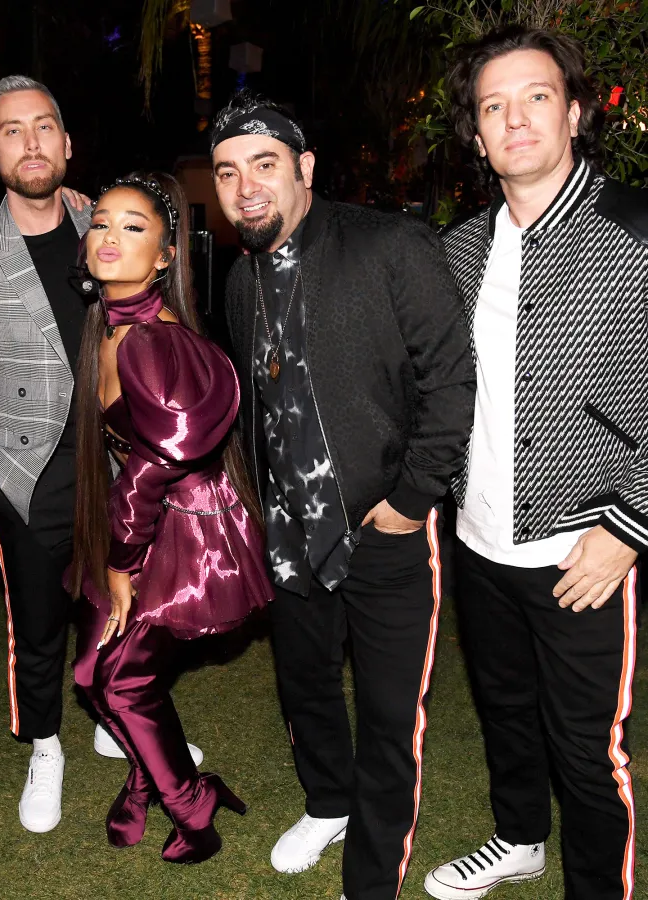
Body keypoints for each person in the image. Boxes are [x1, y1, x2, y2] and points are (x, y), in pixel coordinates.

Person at [212, 90, 475, 900]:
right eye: (227, 172)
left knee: (390, 715)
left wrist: (412, 497)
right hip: (289, 530)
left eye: (264, 164)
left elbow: (451, 381)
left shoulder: (389, 244)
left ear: (305, 168)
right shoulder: (240, 278)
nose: (246, 186)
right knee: (306, 682)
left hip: (386, 528)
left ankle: (372, 881)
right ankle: (328, 801)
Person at [424, 27, 646, 900]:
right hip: (479, 541)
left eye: (537, 97)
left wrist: (629, 526)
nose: (515, 119)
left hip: (586, 549)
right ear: (477, 136)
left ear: (575, 113)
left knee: (589, 752)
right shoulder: (456, 250)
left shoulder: (635, 230)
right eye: (494, 106)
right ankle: (519, 839)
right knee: (507, 714)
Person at [0, 78, 202, 834]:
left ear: (66, 143)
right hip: (27, 478)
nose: (30, 143)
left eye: (44, 127)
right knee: (37, 629)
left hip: (118, 471)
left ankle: (111, 717)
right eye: (12, 131)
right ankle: (45, 745)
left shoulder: (105, 220)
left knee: (121, 608)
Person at [67, 172, 273, 863]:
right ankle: (149, 776)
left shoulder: (153, 343)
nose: (109, 237)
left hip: (186, 530)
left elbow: (156, 463)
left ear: (163, 257)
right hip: (138, 516)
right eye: (100, 222)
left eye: (133, 228)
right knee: (93, 674)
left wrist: (122, 562)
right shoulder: (106, 325)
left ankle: (191, 806)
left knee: (120, 681)